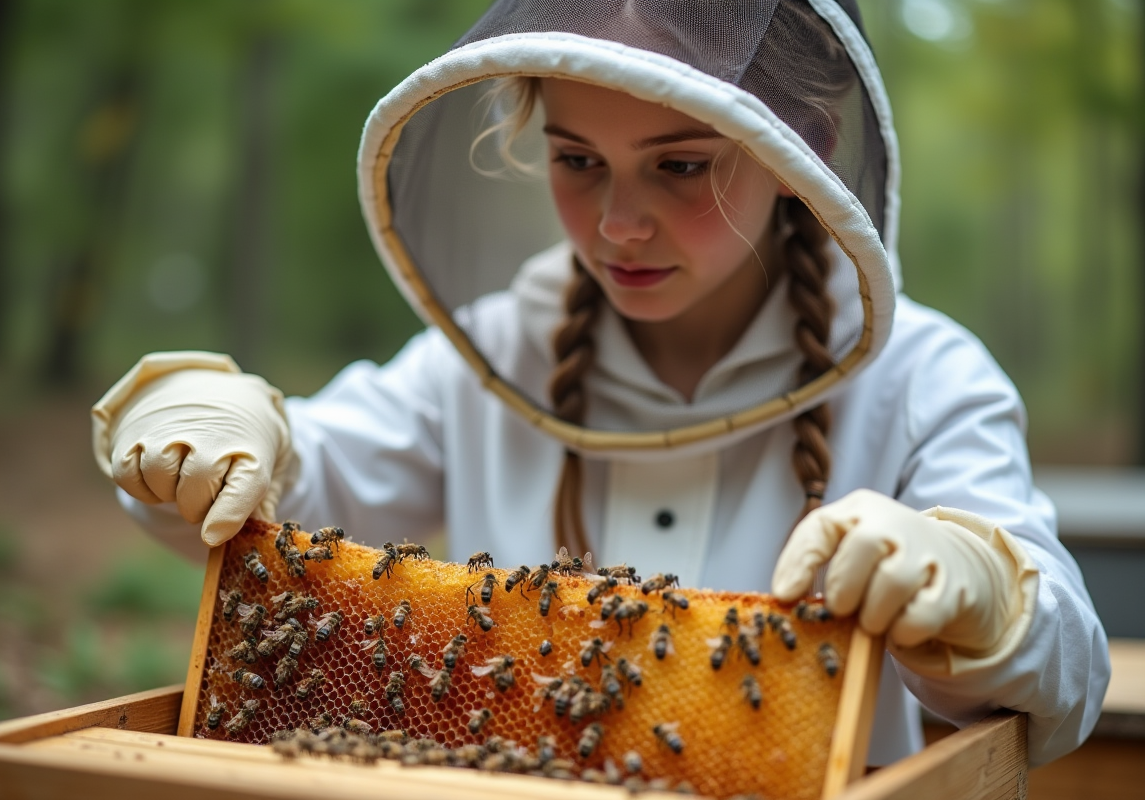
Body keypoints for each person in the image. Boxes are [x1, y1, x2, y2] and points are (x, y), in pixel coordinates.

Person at [91, 0, 1108, 768]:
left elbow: (1067, 683)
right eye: (579, 158)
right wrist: (203, 425)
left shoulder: (924, 377)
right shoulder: (490, 353)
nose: (620, 223)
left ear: (801, 155)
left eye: (680, 167)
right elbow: (289, 486)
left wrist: (984, 588)